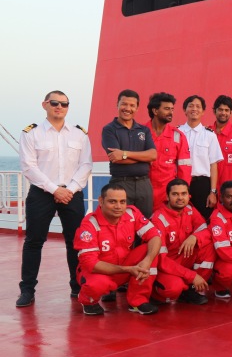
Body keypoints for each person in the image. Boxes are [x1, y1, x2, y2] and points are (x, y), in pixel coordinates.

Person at [16, 90, 92, 307]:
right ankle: (27, 290)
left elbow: (86, 164)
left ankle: (77, 286)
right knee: (34, 241)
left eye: (64, 104)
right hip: (42, 193)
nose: (59, 107)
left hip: (72, 193)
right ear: (45, 105)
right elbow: (28, 166)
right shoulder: (31, 133)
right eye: (55, 103)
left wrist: (70, 189)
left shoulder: (79, 134)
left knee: (75, 242)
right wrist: (54, 189)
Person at [73, 184, 162, 315]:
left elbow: (155, 235)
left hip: (125, 268)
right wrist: (128, 269)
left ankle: (138, 301)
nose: (118, 206)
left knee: (149, 250)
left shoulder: (131, 214)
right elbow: (91, 264)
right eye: (112, 201)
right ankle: (88, 300)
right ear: (101, 201)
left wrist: (147, 261)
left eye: (122, 202)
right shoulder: (90, 224)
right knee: (98, 284)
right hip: (100, 272)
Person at [149, 179, 216, 305]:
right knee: (174, 288)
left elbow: (207, 231)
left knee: (208, 245)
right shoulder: (158, 219)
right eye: (175, 194)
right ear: (167, 196)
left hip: (183, 259)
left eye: (183, 194)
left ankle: (190, 290)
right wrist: (192, 276)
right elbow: (161, 260)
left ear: (189, 196)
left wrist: (194, 237)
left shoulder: (190, 210)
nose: (180, 198)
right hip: (164, 266)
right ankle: (155, 293)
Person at [101, 89, 157, 217]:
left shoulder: (144, 130)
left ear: (137, 108)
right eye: (124, 104)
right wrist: (143, 158)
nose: (127, 108)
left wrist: (125, 154)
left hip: (144, 184)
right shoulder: (109, 130)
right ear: (117, 105)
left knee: (145, 222)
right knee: (120, 222)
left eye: (132, 105)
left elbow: (153, 155)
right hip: (120, 184)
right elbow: (116, 158)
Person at [178, 95, 224, 221]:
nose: (194, 109)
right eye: (191, 106)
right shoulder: (177, 133)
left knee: (204, 220)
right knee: (181, 219)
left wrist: (213, 192)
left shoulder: (210, 135)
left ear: (203, 111)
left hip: (202, 185)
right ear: (185, 110)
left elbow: (213, 165)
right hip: (180, 183)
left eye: (198, 106)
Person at [145, 92, 192, 211]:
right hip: (143, 191)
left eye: (172, 109)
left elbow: (184, 168)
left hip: (167, 194)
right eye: (166, 109)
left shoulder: (178, 136)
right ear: (155, 111)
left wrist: (182, 192)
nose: (171, 112)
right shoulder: (141, 133)